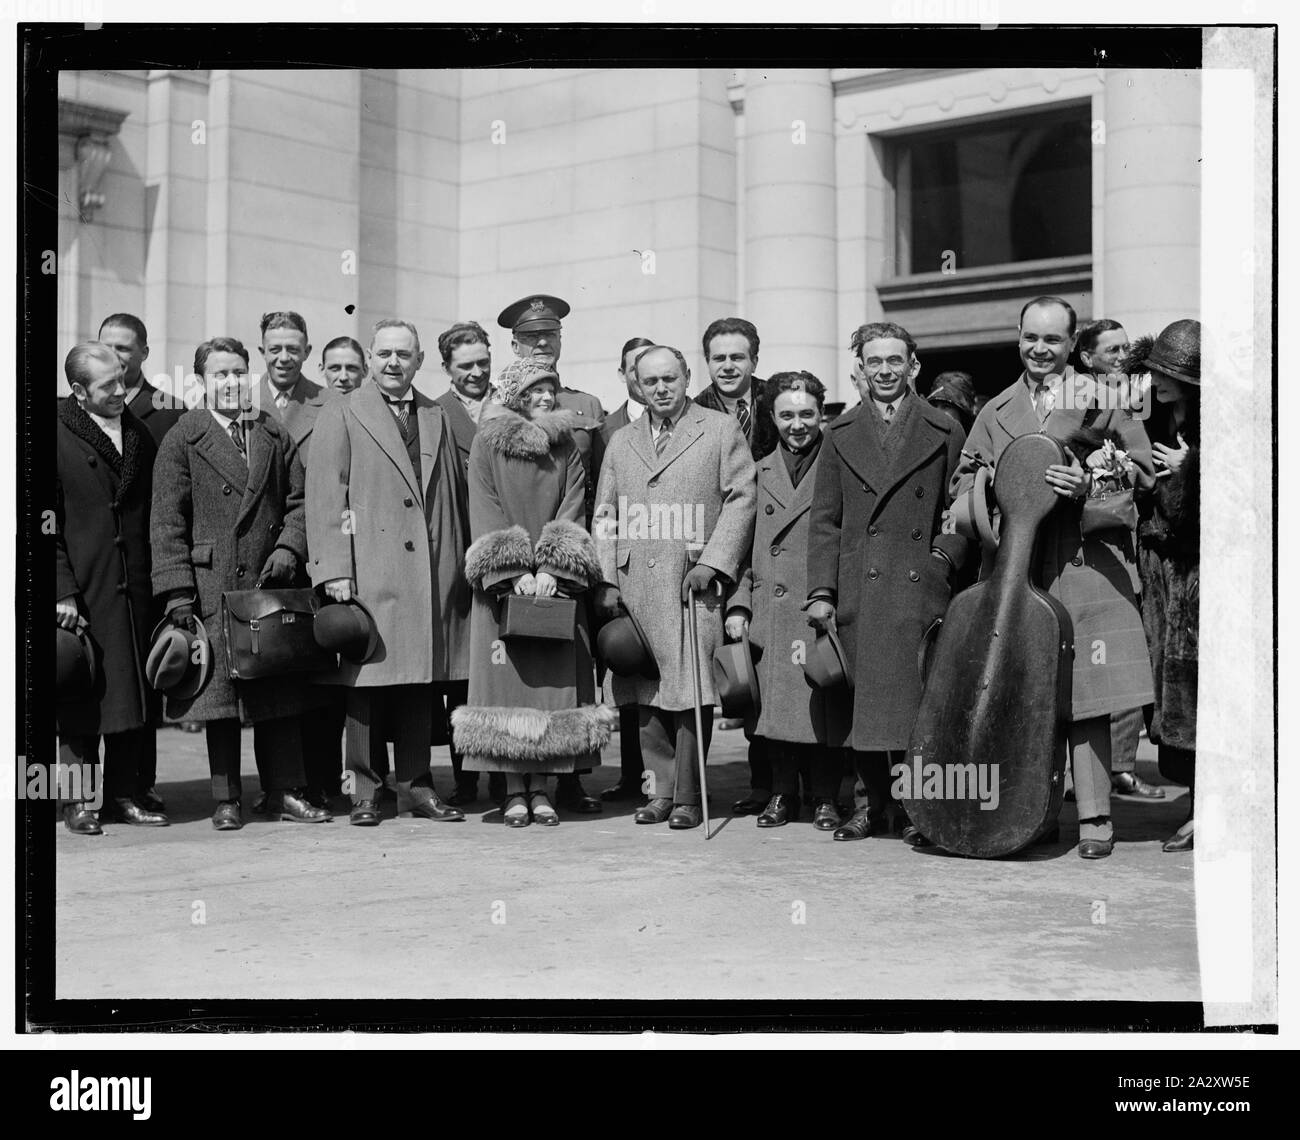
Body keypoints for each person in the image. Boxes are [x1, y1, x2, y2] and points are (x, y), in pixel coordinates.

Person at [949, 297, 1156, 860]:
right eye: (1030, 338)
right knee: (1027, 690)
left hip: (1085, 562)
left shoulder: (1106, 398)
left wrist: (1089, 481)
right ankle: (1033, 810)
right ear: (1017, 337)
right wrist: (995, 484)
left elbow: (1144, 473)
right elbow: (961, 486)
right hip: (1018, 568)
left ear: (1072, 345)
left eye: (1053, 340)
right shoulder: (995, 409)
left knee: (1087, 692)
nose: (1040, 349)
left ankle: (1094, 814)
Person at [150, 337, 330, 830]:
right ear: (202, 382)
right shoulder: (183, 437)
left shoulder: (272, 432)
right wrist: (177, 593)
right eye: (219, 375)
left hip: (268, 583)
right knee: (221, 703)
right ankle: (226, 797)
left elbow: (299, 501)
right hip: (211, 586)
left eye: (237, 373)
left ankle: (284, 791)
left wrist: (289, 549)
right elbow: (166, 521)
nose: (230, 383)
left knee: (277, 690)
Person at [806, 322, 969, 844]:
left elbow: (961, 510)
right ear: (859, 369)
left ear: (912, 367)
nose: (884, 371)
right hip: (861, 588)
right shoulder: (838, 434)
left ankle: (918, 811)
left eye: (894, 361)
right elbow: (825, 521)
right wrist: (822, 593)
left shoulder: (944, 429)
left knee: (919, 708)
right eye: (873, 362)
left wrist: (943, 557)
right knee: (865, 705)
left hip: (921, 587)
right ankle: (871, 806)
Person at [306, 319, 472, 827]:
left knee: (418, 683)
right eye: (384, 354)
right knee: (366, 683)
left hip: (427, 570)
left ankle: (417, 787)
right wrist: (334, 568)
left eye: (404, 354)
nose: (393, 363)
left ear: (420, 361)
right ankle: (364, 791)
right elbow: (326, 493)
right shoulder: (343, 410)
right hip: (369, 568)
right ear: (371, 360)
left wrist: (455, 566)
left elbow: (447, 496)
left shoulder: (434, 414)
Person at [593, 344, 756, 830]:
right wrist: (606, 578)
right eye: (650, 382)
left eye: (670, 379)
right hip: (635, 584)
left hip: (692, 585)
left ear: (686, 377)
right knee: (646, 692)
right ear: (636, 386)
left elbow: (742, 498)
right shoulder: (621, 441)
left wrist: (715, 562)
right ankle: (658, 791)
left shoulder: (720, 428)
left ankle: (689, 796)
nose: (661, 389)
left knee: (690, 692)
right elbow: (605, 513)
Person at [452, 358, 613, 825]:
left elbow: (574, 505)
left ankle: (541, 789)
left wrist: (551, 566)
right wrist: (514, 568)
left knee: (549, 689)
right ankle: (511, 791)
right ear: (516, 397)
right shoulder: (486, 443)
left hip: (553, 591)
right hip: (504, 592)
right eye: (535, 390)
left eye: (550, 390)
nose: (546, 397)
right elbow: (483, 505)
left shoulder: (566, 448)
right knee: (506, 688)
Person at [498, 293, 605, 813]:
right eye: (531, 339)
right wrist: (515, 565)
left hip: (563, 567)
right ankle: (517, 783)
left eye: (550, 337)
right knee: (516, 680)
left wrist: (559, 563)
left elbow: (589, 487)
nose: (542, 345)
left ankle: (569, 779)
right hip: (516, 574)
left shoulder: (584, 406)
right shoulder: (497, 419)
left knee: (568, 678)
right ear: (515, 344)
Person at [729, 371, 849, 830]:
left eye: (806, 414)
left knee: (823, 705)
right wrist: (739, 605)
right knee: (774, 710)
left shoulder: (838, 467)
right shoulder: (757, 473)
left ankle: (824, 797)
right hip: (772, 608)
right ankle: (780, 794)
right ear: (773, 418)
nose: (796, 424)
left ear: (821, 415)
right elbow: (740, 548)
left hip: (819, 605)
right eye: (786, 415)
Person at [56, 342, 168, 833]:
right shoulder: (51, 434)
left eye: (122, 379)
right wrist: (60, 590)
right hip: (84, 584)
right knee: (82, 690)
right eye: (108, 386)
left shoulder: (140, 434)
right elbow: (42, 522)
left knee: (132, 691)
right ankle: (79, 801)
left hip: (134, 584)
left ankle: (125, 792)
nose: (121, 391)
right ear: (78, 391)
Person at [254, 310, 343, 810]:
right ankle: (277, 786)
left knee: (317, 673)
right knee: (268, 671)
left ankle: (324, 782)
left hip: (313, 554)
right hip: (257, 561)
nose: (284, 356)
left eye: (294, 347)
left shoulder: (328, 403)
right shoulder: (243, 403)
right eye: (275, 347)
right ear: (262, 350)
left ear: (308, 351)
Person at [97, 312, 185, 796]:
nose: (114, 355)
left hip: (147, 564)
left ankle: (136, 785)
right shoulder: (77, 406)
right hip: (98, 567)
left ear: (145, 354)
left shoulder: (171, 410)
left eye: (125, 348)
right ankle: (87, 791)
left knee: (144, 677)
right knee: (96, 678)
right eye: (105, 344)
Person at [1077, 318, 1165, 801]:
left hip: (1134, 543)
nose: (1120, 355)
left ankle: (1122, 766)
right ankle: (1090, 773)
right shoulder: (1075, 399)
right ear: (1086, 358)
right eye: (1109, 349)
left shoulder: (1137, 400)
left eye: (1124, 347)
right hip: (1088, 542)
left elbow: (1149, 472)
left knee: (1127, 658)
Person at [1127, 320, 1201, 851]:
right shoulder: (1151, 413)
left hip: (1201, 575)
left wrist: (1192, 465)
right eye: (1156, 371)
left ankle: (1208, 809)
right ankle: (1199, 798)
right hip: (1160, 572)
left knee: (1201, 687)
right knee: (1166, 685)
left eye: (1170, 375)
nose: (1159, 381)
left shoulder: (1223, 421)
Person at [431, 319, 502, 807]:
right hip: (457, 556)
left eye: (483, 362)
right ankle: (466, 776)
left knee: (507, 669)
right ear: (446, 368)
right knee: (462, 673)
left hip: (509, 551)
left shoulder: (512, 404)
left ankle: (509, 774)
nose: (476, 372)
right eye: (465, 365)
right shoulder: (434, 414)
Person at [594, 336, 654, 803]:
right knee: (627, 671)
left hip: (669, 565)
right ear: (623, 375)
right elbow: (602, 508)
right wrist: (606, 575)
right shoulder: (603, 429)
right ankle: (632, 775)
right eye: (633, 368)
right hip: (623, 569)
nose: (642, 376)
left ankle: (671, 778)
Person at [694, 316, 777, 461]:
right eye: (719, 358)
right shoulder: (693, 413)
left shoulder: (777, 401)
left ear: (754, 363)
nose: (727, 367)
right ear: (708, 363)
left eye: (737, 358)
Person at [98, 312, 184, 449]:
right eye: (105, 348)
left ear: (144, 353)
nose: (111, 355)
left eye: (122, 348)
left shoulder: (173, 411)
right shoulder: (80, 404)